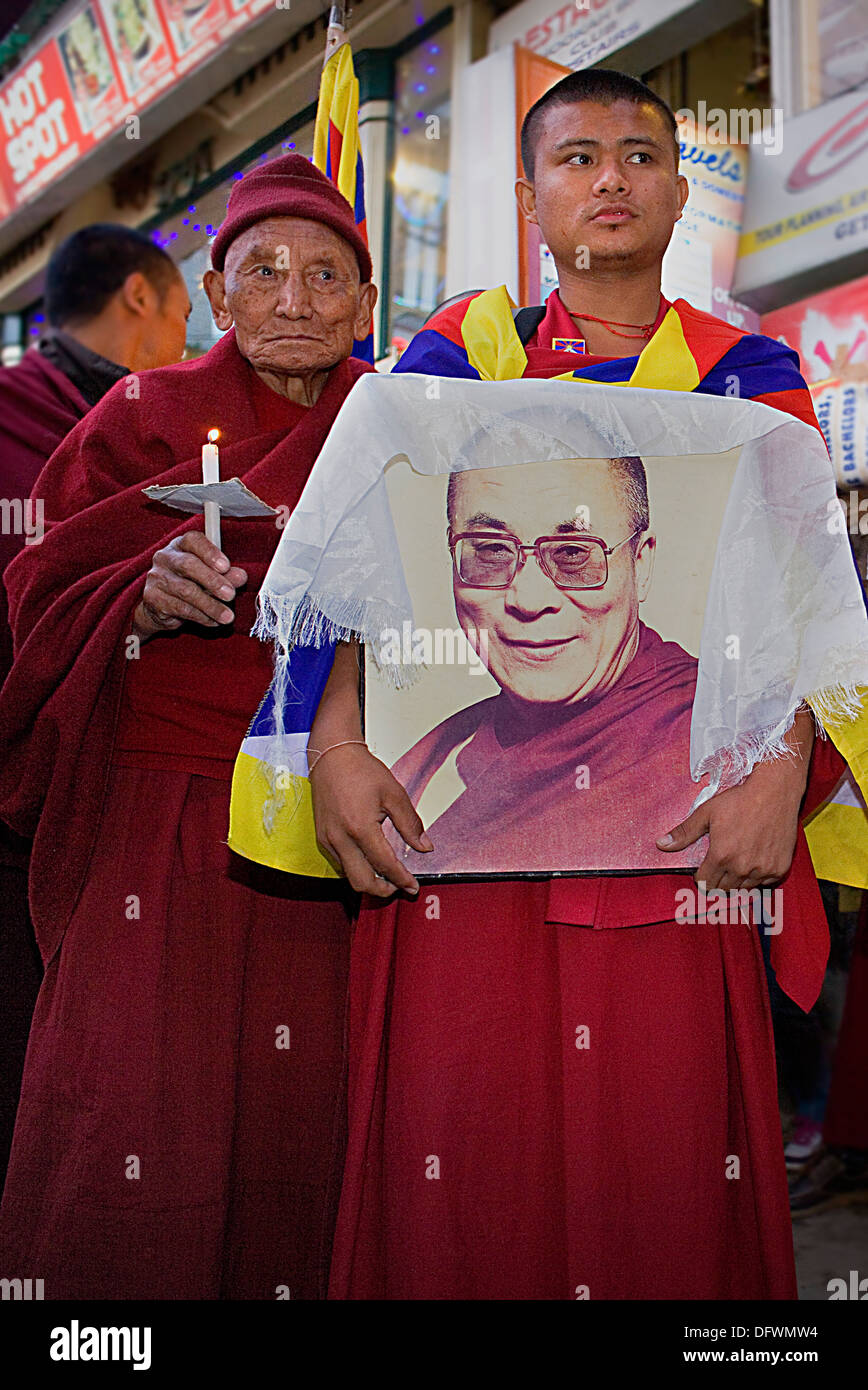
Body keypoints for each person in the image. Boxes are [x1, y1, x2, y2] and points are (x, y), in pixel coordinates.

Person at [310, 70, 845, 1299]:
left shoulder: (745, 368)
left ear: (677, 190)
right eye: (578, 157)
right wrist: (339, 745)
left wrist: (779, 769)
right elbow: (363, 564)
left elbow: (808, 598)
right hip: (456, 825)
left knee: (653, 1166)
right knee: (459, 1155)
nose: (611, 179)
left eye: (642, 156)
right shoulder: (455, 350)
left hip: (671, 827)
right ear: (528, 194)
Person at [0, 155, 377, 1299]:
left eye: (326, 277)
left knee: (308, 1116)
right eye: (263, 271)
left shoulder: (397, 416)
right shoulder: (143, 412)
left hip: (340, 811)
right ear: (216, 295)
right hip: (164, 817)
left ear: (368, 306)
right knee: (136, 1097)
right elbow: (40, 591)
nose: (297, 300)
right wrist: (138, 596)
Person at [0, 226, 188, 1197]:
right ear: (140, 299)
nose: (186, 345)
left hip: (108, 788)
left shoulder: (133, 429)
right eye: (186, 314)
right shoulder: (23, 416)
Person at [388, 455, 704, 874]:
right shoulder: (429, 766)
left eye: (573, 552)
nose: (528, 600)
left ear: (640, 563)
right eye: (492, 550)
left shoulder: (725, 737)